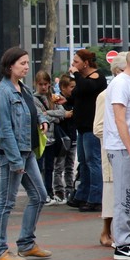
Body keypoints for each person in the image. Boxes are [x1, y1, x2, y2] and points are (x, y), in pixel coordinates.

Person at [0, 47, 51, 260]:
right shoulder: (3, 92)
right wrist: (15, 161)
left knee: (40, 195)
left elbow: (33, 108)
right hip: (11, 155)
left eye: (27, 63)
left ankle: (26, 244)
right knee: (6, 203)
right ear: (10, 66)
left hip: (27, 151)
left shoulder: (22, 88)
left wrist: (42, 119)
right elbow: (4, 130)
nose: (27, 67)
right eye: (22, 63)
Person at [94, 53, 130, 249]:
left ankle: (126, 237)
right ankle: (122, 243)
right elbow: (120, 119)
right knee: (125, 196)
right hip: (122, 149)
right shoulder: (120, 84)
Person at [68, 49, 107, 212]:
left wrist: (76, 74)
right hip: (83, 126)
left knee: (93, 162)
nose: (73, 65)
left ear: (85, 63)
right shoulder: (83, 79)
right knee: (83, 162)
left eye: (76, 61)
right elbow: (78, 94)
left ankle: (96, 197)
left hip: (92, 126)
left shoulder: (97, 77)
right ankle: (83, 194)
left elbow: (86, 88)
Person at [33, 71, 67, 205]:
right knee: (40, 166)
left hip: (52, 138)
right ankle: (42, 192)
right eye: (40, 84)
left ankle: (49, 191)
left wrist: (48, 113)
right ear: (36, 84)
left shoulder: (53, 98)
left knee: (50, 168)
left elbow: (62, 112)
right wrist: (54, 117)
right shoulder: (33, 98)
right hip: (42, 138)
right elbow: (39, 116)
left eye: (45, 84)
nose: (43, 87)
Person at [52, 74, 77, 204]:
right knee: (59, 166)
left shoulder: (75, 100)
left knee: (70, 166)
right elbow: (57, 116)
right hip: (61, 138)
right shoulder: (57, 101)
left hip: (72, 137)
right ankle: (59, 191)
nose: (74, 89)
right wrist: (64, 114)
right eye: (72, 87)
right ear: (63, 87)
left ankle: (69, 190)